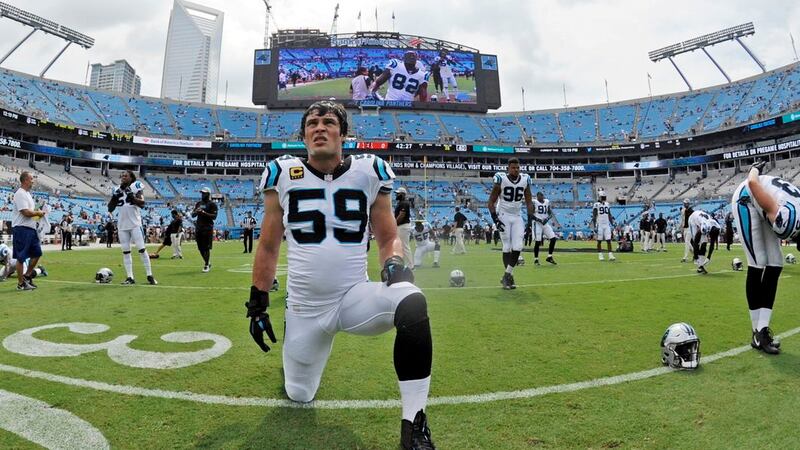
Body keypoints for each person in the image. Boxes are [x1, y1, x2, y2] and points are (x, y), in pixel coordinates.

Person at [248, 101, 435, 448]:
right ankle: (295, 351)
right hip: (305, 309)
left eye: (329, 122)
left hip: (353, 297)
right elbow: (270, 245)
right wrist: (257, 302)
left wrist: (393, 263)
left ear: (343, 133)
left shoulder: (369, 171)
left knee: (411, 299)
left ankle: (414, 426)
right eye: (312, 123)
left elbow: (389, 236)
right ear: (303, 136)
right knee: (299, 393)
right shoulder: (282, 173)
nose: (320, 128)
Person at [731, 160, 800, 354]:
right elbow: (753, 183)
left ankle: (762, 330)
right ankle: (757, 332)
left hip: (768, 204)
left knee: (776, 263)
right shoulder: (779, 213)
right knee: (758, 261)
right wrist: (755, 168)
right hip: (746, 198)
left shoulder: (788, 212)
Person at [488, 158, 534, 289]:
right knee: (507, 247)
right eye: (513, 168)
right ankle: (509, 278)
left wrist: (530, 221)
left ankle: (506, 275)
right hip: (503, 215)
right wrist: (495, 219)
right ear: (508, 168)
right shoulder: (501, 179)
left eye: (518, 168)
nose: (516, 170)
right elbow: (491, 202)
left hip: (517, 216)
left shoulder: (525, 180)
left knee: (518, 246)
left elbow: (529, 202)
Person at [108, 170, 157, 285]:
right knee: (126, 252)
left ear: (131, 178)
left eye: (126, 175)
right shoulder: (116, 189)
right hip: (122, 225)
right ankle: (130, 277)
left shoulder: (135, 187)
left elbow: (142, 203)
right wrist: (115, 197)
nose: (123, 177)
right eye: (122, 175)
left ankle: (149, 275)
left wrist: (132, 197)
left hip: (135, 224)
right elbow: (110, 208)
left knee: (141, 249)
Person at [11, 172, 45, 291]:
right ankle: (21, 284)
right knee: (21, 257)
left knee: (37, 253)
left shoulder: (27, 194)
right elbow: (25, 212)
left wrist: (38, 215)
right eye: (31, 179)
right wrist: (38, 213)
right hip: (21, 229)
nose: (33, 181)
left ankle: (27, 276)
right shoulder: (20, 194)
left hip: (30, 229)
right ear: (25, 180)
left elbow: (30, 212)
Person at [192, 187, 218, 272]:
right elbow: (193, 215)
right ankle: (207, 262)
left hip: (207, 227)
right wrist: (197, 212)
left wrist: (204, 213)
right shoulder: (199, 203)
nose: (202, 194)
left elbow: (214, 217)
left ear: (208, 194)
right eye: (202, 193)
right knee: (200, 248)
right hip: (199, 227)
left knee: (206, 247)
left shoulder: (212, 204)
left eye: (204, 193)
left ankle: (206, 264)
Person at [688, 209, 721, 274]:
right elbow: (696, 241)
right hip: (693, 219)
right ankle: (696, 257)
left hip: (702, 221)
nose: (711, 238)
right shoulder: (705, 226)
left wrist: (709, 257)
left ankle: (700, 266)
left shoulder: (718, 227)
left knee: (704, 244)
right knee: (696, 241)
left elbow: (712, 244)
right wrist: (696, 256)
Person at [531, 191, 559, 265]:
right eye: (538, 196)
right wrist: (539, 220)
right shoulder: (534, 202)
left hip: (545, 223)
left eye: (541, 196)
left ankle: (549, 256)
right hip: (537, 223)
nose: (540, 198)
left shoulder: (546, 202)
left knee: (553, 239)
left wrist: (546, 219)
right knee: (538, 241)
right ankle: (536, 259)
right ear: (537, 196)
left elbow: (550, 213)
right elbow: (531, 214)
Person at [592, 190, 616, 261]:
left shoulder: (607, 204)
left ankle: (610, 255)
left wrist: (612, 223)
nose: (603, 198)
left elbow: (609, 214)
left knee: (608, 240)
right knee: (599, 241)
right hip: (600, 224)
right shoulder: (596, 204)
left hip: (606, 224)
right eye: (602, 197)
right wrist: (594, 226)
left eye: (604, 197)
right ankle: (600, 254)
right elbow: (594, 216)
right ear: (599, 197)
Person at [395, 187, 413, 267]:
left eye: (398, 193)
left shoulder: (404, 203)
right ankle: (406, 264)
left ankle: (410, 266)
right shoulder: (401, 202)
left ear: (402, 194)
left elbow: (401, 215)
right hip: (402, 226)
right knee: (402, 246)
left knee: (405, 246)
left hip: (403, 226)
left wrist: (394, 223)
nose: (396, 194)